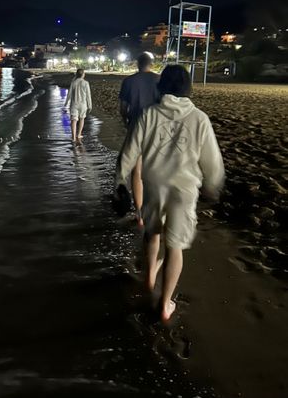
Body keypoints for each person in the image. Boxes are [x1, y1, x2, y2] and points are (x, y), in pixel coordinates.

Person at [116, 65, 225, 322]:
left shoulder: (148, 115)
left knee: (152, 233)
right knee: (175, 246)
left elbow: (129, 152)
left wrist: (120, 181)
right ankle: (165, 304)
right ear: (188, 88)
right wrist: (213, 184)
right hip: (184, 190)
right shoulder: (199, 118)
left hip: (154, 185)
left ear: (161, 86)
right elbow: (213, 161)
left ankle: (150, 278)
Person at [118, 52, 160, 222]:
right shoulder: (159, 80)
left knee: (137, 170)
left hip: (136, 128)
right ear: (152, 64)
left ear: (137, 64)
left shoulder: (128, 81)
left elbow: (123, 109)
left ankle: (140, 214)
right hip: (157, 129)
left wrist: (126, 121)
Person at [64, 68, 92, 141]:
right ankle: (79, 134)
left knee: (74, 120)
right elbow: (88, 95)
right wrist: (90, 105)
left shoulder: (73, 82)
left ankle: (73, 137)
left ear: (76, 74)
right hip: (83, 104)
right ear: (83, 74)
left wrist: (66, 103)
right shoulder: (86, 83)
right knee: (82, 119)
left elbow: (69, 94)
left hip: (74, 104)